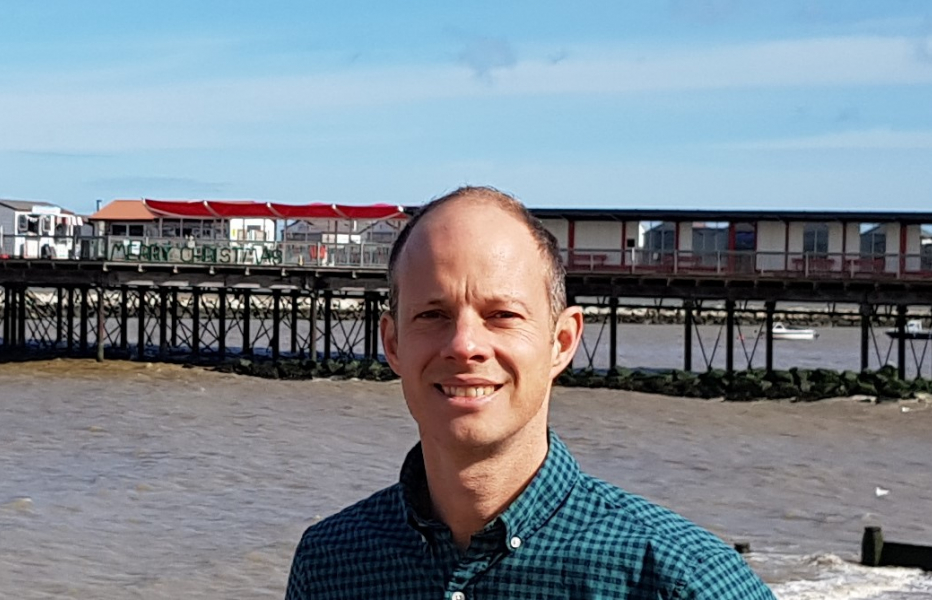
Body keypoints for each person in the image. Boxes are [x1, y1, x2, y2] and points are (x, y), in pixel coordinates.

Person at [285, 187, 774, 599]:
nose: (465, 346)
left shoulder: (680, 579)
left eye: (502, 315)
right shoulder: (330, 563)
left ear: (562, 341)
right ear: (392, 344)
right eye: (433, 315)